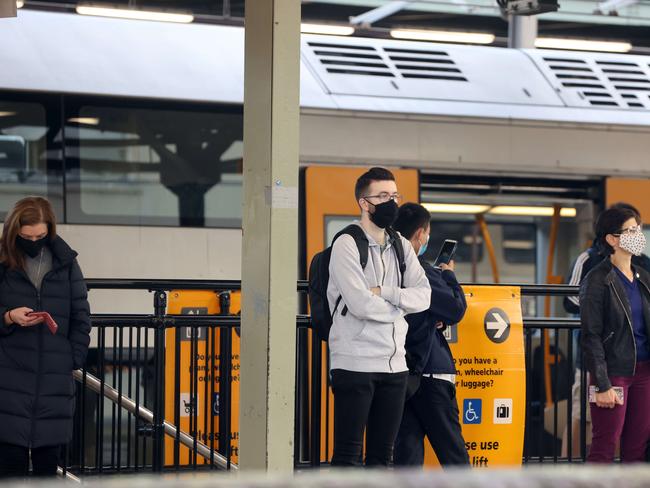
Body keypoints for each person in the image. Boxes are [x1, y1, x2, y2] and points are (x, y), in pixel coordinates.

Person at [328, 167, 431, 467]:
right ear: (364, 202)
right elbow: (360, 304)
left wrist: (386, 292)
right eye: (383, 196)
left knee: (382, 458)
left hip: (394, 366)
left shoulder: (400, 244)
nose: (391, 202)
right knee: (348, 457)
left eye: (394, 195)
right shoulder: (346, 244)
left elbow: (423, 296)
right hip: (354, 362)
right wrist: (400, 306)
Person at [0, 197, 91, 478]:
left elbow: (81, 316)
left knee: (46, 470)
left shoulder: (66, 263)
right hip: (9, 375)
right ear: (14, 231)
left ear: (49, 230)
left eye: (40, 236)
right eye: (26, 237)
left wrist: (72, 358)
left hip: (54, 378)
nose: (34, 241)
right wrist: (8, 316)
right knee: (10, 466)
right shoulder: (3, 261)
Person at [562, 203, 650, 458]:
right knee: (605, 444)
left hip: (644, 372)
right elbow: (591, 335)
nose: (638, 235)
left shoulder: (643, 277)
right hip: (614, 372)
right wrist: (602, 383)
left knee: (637, 445)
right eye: (631, 231)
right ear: (612, 238)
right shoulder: (598, 278)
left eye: (638, 229)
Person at [392, 203, 469, 467]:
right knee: (454, 455)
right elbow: (455, 308)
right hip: (432, 373)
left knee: (407, 455)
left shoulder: (387, 267)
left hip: (401, 374)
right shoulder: (421, 271)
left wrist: (431, 317)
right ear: (420, 235)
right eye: (427, 233)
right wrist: (449, 276)